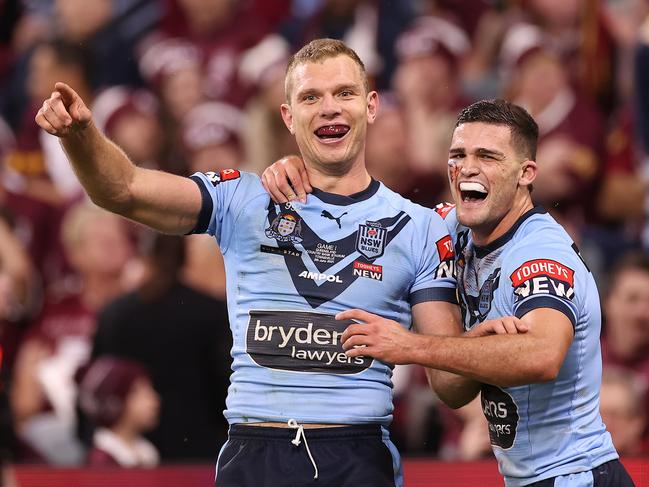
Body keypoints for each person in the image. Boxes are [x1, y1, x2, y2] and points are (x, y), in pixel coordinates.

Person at [34, 38, 486, 487]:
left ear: (370, 106)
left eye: (344, 93)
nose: (329, 107)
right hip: (254, 450)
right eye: (311, 97)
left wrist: (473, 348)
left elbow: (448, 385)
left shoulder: (422, 228)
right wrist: (81, 137)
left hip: (358, 454)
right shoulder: (242, 198)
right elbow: (124, 190)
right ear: (288, 116)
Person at [265, 99, 634, 486]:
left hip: (577, 475)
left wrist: (409, 346)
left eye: (488, 156)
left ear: (526, 173)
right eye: (458, 154)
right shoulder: (451, 229)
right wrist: (301, 172)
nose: (468, 167)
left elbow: (542, 355)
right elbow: (450, 390)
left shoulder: (539, 252)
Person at [78, 356, 160, 467]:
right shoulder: (101, 462)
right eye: (140, 393)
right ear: (115, 403)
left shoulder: (146, 452)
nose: (153, 400)